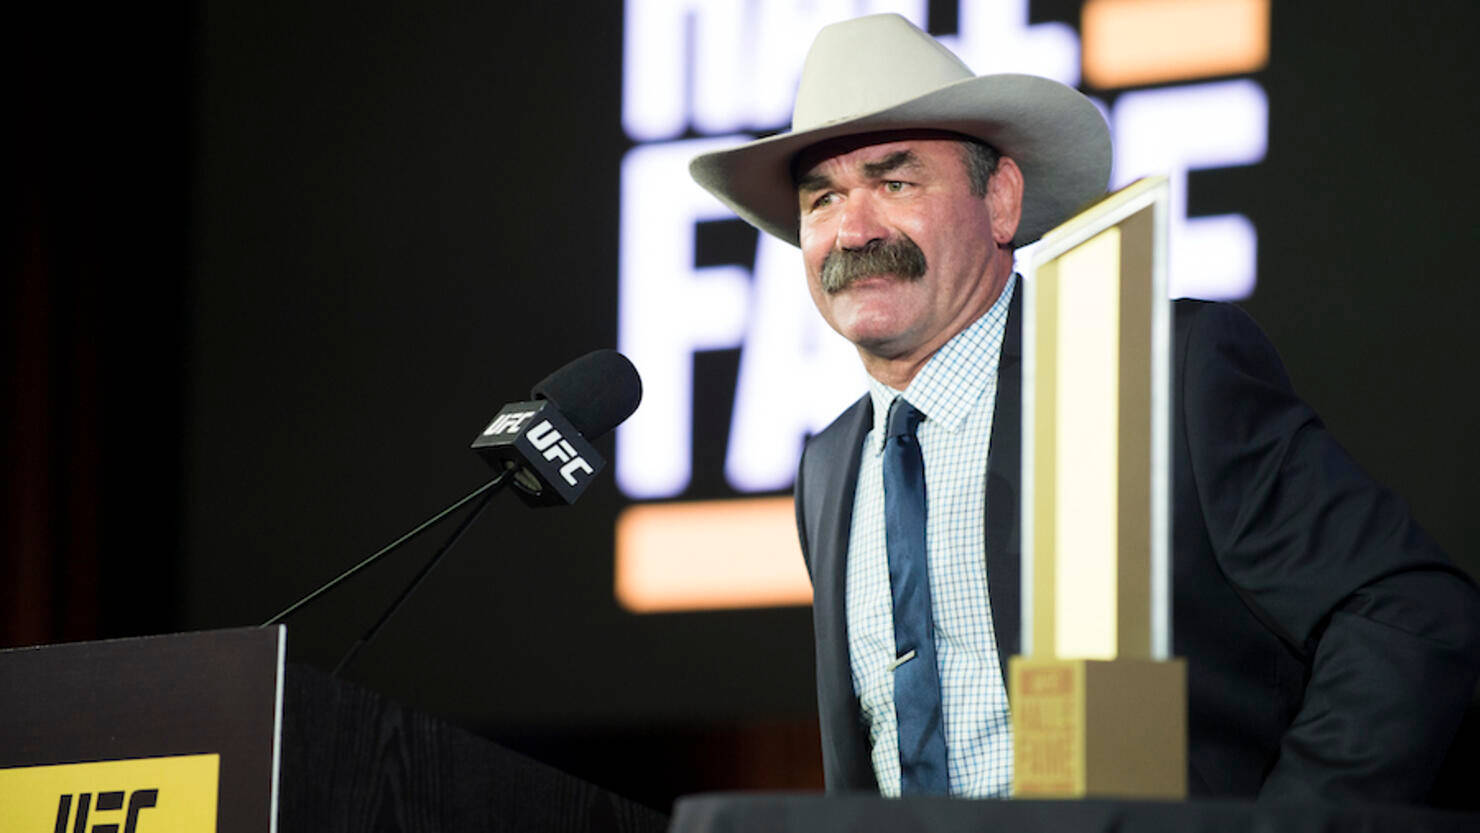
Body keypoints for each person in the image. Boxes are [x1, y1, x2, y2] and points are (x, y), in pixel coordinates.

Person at [689, 13, 1480, 803]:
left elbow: (1409, 614)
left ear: (999, 201)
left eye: (895, 182)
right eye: (823, 197)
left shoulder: (1157, 369)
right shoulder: (830, 468)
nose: (853, 228)